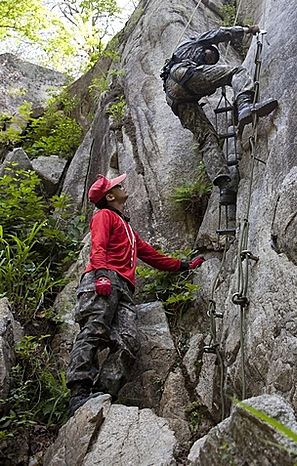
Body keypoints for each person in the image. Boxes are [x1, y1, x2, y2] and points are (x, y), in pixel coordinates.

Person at [66, 173, 205, 417]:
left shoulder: (127, 227)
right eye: (118, 185)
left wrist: (184, 265)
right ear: (110, 196)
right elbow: (97, 246)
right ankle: (78, 393)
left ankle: (102, 393)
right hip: (103, 279)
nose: (122, 186)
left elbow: (151, 255)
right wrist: (100, 275)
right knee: (94, 330)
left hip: (124, 290)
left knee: (128, 341)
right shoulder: (104, 215)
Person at [161, 25, 278, 204]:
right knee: (236, 72)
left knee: (207, 139)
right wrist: (246, 30)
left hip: (176, 97)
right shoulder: (194, 42)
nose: (209, 60)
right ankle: (245, 105)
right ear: (204, 48)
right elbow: (219, 33)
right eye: (209, 56)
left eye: (212, 61)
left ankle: (225, 186)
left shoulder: (179, 58)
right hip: (184, 75)